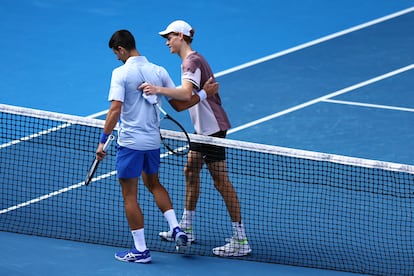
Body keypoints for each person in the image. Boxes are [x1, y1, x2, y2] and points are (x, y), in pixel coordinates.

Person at [139, 20, 252, 257]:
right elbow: (183, 104)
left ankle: (240, 240)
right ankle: (186, 228)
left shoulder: (191, 62)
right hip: (203, 130)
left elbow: (185, 94)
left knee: (221, 181)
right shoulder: (192, 61)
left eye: (169, 37)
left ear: (181, 36)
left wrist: (157, 89)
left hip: (212, 130)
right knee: (190, 171)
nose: (167, 42)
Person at [96, 29, 190, 263]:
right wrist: (205, 96)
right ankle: (176, 227)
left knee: (129, 195)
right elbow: (179, 104)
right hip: (152, 143)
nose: (116, 58)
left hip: (130, 144)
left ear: (121, 49)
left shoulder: (120, 73)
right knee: (154, 183)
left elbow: (115, 110)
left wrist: (102, 141)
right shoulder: (158, 71)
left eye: (116, 53)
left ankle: (141, 250)